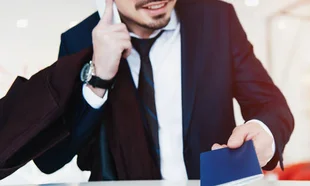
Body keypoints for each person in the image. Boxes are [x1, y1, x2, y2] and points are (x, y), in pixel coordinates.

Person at [0, 0, 294, 181]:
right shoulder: (79, 41)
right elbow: (50, 160)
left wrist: (264, 135)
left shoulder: (216, 19)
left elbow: (270, 105)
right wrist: (98, 79)